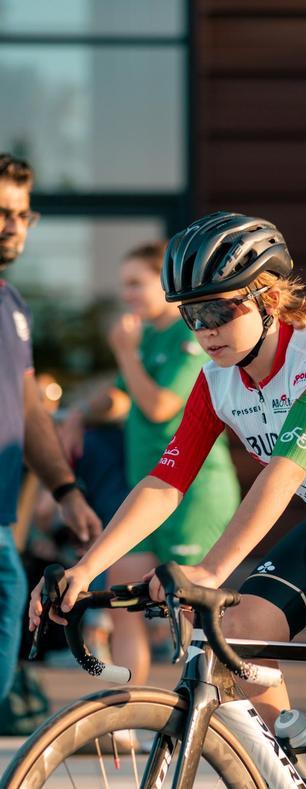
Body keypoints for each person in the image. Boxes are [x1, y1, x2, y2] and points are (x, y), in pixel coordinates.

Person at [30, 212, 306, 789]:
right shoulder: (216, 381)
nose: (205, 330)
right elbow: (166, 482)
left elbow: (284, 473)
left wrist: (210, 570)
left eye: (219, 311)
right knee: (235, 634)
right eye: (192, 315)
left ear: (269, 299)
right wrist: (86, 569)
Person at [60, 241, 240, 682]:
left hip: (193, 494)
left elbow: (160, 405)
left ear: (165, 286)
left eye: (136, 284)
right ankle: (129, 702)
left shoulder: (189, 333)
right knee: (120, 589)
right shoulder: (148, 336)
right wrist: (80, 413)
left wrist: (125, 353)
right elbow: (121, 398)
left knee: (195, 609)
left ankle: (208, 708)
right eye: (124, 285)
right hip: (150, 489)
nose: (128, 295)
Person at [0, 152, 101, 703]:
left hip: (2, 515)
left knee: (9, 600)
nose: (14, 225)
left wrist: (66, 491)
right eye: (2, 212)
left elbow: (31, 409)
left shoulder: (12, 305)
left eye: (23, 214)